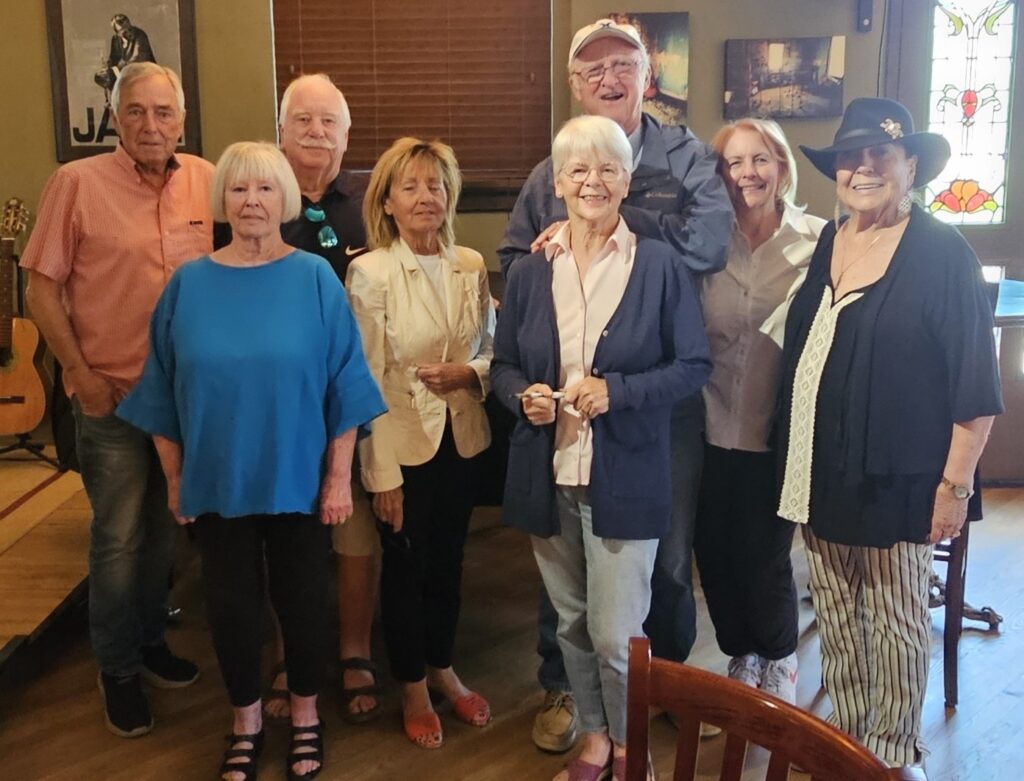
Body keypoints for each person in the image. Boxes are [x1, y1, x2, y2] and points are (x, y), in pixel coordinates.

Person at [497, 18, 732, 752]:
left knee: (660, 569)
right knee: (572, 605)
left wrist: (633, 237)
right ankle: (582, 706)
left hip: (651, 421)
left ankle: (657, 693)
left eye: (622, 64)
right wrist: (523, 391)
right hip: (555, 449)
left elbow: (707, 243)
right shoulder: (546, 198)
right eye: (592, 66)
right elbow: (513, 277)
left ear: (646, 75)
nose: (608, 77)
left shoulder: (685, 162)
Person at [117, 141, 385, 781]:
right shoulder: (189, 285)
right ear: (223, 201)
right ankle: (245, 721)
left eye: (265, 189)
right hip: (217, 479)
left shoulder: (314, 278)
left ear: (285, 198)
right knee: (231, 609)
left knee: (301, 603)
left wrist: (340, 477)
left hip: (299, 477)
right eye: (239, 190)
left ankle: (307, 716)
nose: (252, 201)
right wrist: (177, 480)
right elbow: (161, 388)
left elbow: (346, 383)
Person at [777, 98, 1002, 778]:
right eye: (852, 154)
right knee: (840, 618)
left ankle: (894, 754)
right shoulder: (829, 240)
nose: (864, 167)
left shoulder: (941, 253)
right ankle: (849, 746)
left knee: (898, 621)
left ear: (910, 167)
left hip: (904, 476)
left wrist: (953, 486)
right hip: (820, 468)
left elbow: (975, 389)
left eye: (882, 153)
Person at [21, 62, 210, 739]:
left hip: (183, 401)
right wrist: (79, 372)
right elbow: (40, 287)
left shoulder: (206, 180)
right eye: (135, 111)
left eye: (163, 112)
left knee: (164, 532)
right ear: (114, 119)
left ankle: (152, 639)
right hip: (112, 395)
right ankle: (118, 667)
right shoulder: (75, 184)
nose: (151, 124)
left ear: (182, 121)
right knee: (118, 538)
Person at [241, 72, 382, 726]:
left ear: (347, 135)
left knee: (354, 529)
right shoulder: (257, 198)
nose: (317, 133)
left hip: (353, 396)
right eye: (304, 120)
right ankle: (282, 653)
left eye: (330, 122)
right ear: (281, 130)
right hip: (277, 403)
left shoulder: (371, 203)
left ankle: (354, 648)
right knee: (282, 533)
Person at [346, 137, 495, 749]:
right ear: (386, 202)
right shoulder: (370, 270)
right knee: (406, 567)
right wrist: (381, 476)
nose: (425, 196)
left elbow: (490, 348)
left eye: (435, 185)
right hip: (401, 446)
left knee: (450, 563)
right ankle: (410, 682)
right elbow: (364, 376)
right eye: (409, 186)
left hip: (461, 438)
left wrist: (473, 375)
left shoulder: (471, 264)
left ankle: (442, 665)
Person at [694, 118, 825, 703]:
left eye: (760, 159)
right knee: (713, 550)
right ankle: (740, 653)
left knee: (766, 552)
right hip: (705, 420)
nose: (746, 173)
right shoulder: (703, 241)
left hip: (778, 427)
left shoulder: (818, 241)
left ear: (781, 167)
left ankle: (779, 657)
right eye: (733, 162)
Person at [94, 14, 156, 103]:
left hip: (141, 76)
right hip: (121, 74)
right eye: (123, 32)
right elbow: (113, 58)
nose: (128, 33)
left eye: (129, 29)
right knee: (101, 76)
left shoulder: (140, 35)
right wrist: (107, 67)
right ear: (117, 33)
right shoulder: (115, 39)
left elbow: (138, 60)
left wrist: (117, 68)